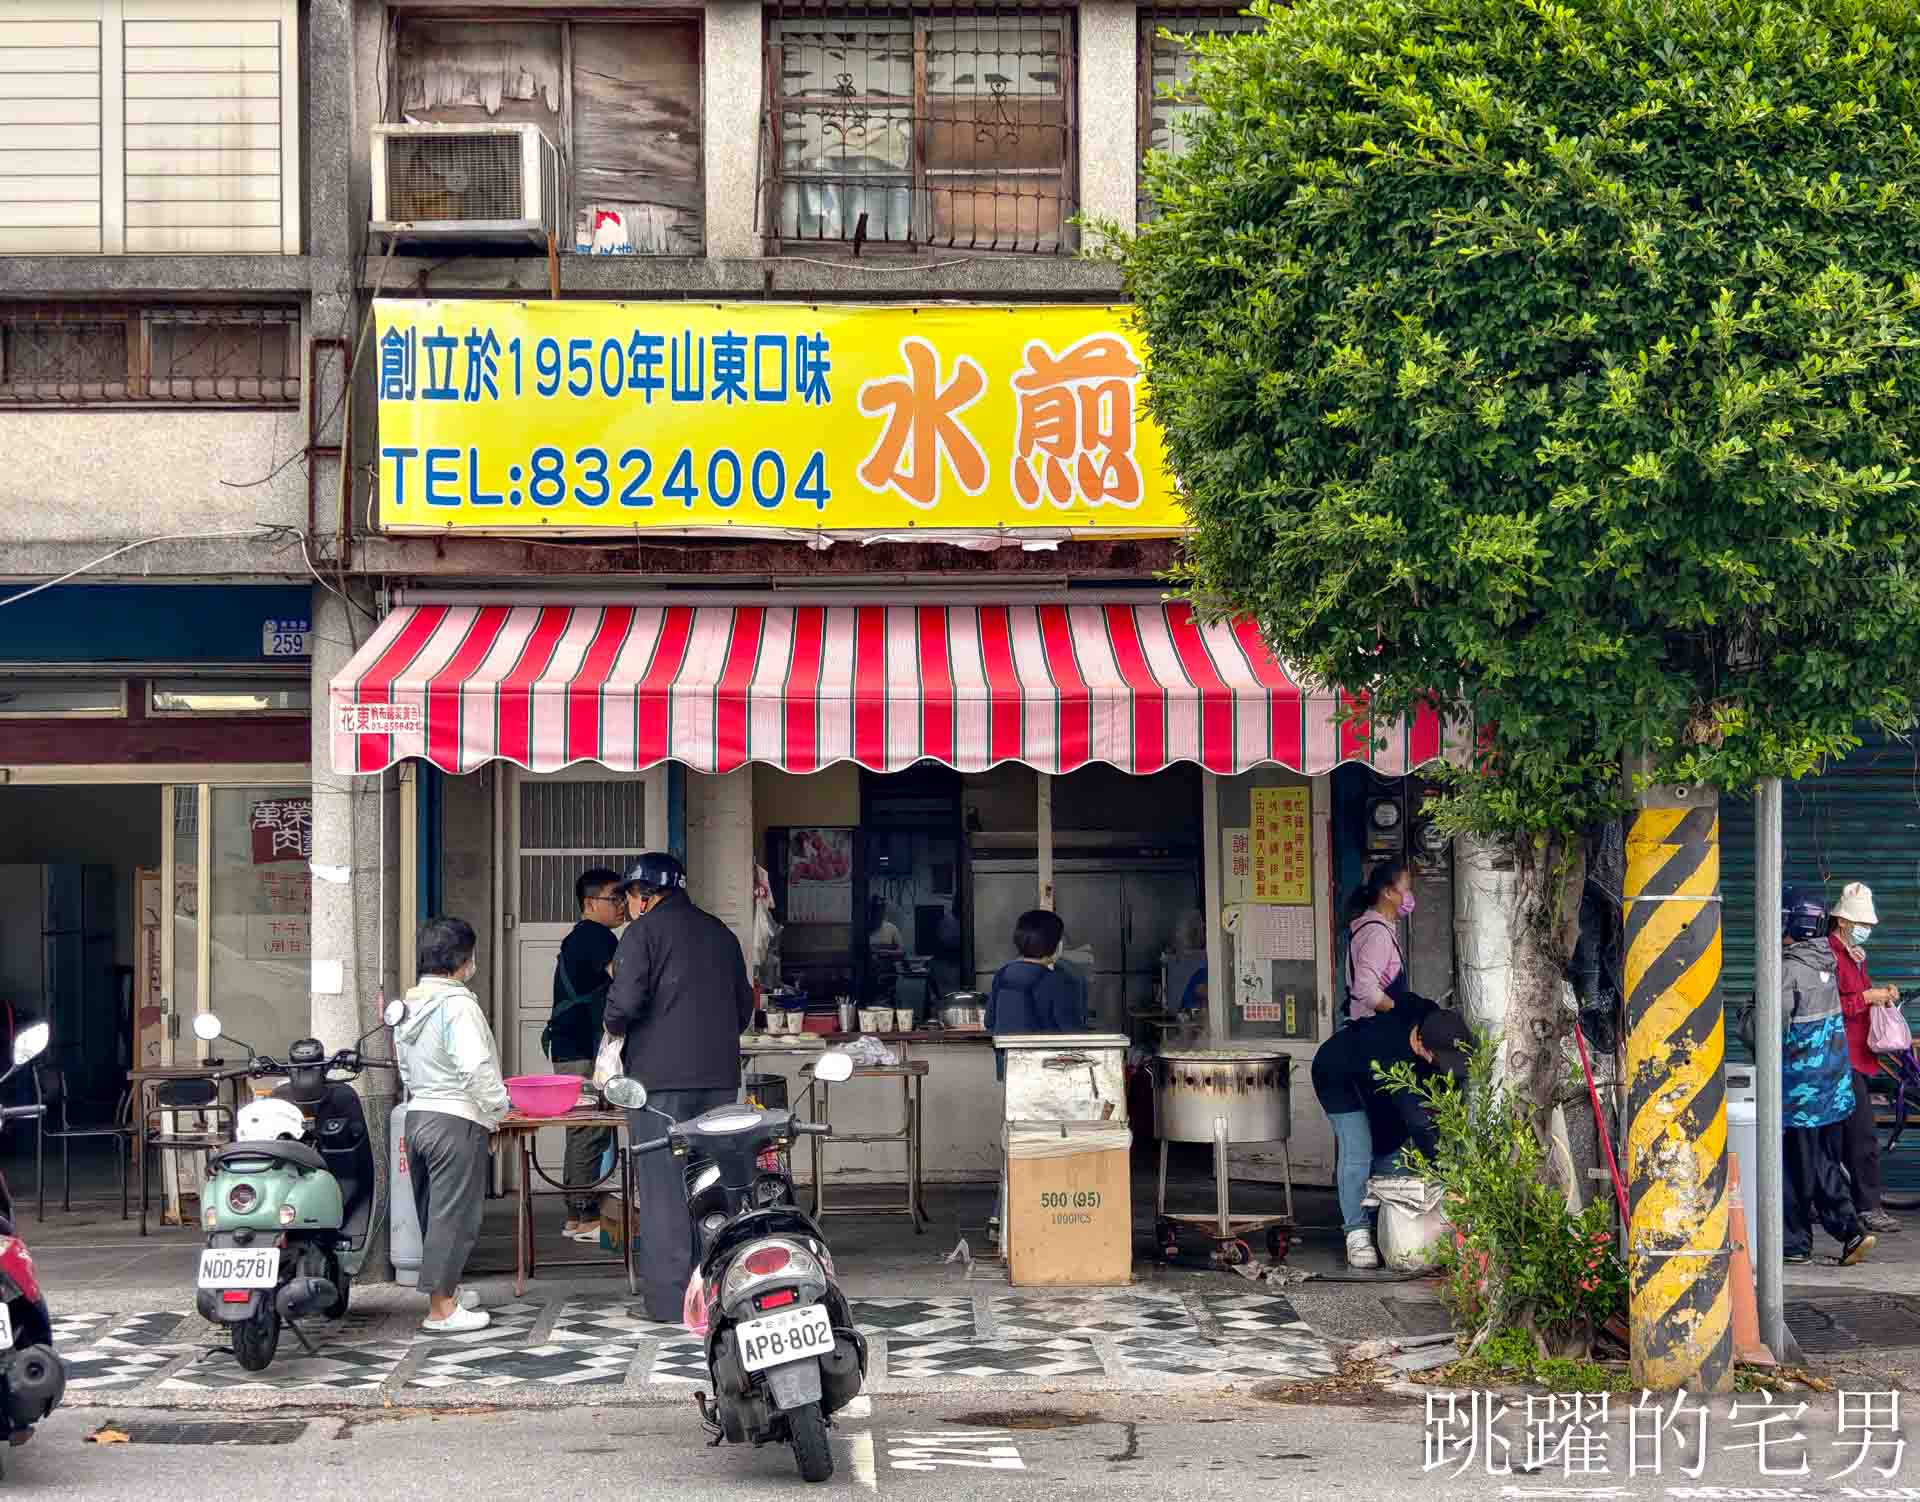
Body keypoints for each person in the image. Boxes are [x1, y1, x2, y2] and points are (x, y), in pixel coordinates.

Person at [602, 852, 756, 1323]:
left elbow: (622, 1005)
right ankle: (721, 1293)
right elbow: (743, 1005)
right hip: (718, 1081)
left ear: (645, 894)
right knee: (712, 1186)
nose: (627, 904)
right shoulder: (720, 932)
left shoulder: (642, 934)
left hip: (658, 1087)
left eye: (628, 894)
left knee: (665, 1191)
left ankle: (670, 1303)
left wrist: (612, 1024)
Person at [394, 916, 510, 1334]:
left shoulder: (409, 1003)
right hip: (455, 1119)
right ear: (463, 959)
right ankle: (441, 1310)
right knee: (454, 1217)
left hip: (419, 1114)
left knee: (433, 1212)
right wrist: (500, 1107)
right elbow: (476, 1066)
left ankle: (449, 1291)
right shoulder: (458, 1004)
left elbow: (405, 1067)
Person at [1311, 996, 1473, 1269]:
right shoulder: (1394, 1056)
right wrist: (1447, 1177)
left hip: (1381, 1086)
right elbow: (1420, 1124)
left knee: (1392, 1150)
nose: (1442, 1065)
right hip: (1339, 1074)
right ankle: (1357, 1233)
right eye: (1439, 1058)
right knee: (1358, 1149)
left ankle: (1384, 1225)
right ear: (1420, 1042)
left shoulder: (1432, 1019)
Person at [984, 908, 1091, 1245]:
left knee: (1013, 1141)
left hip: (1011, 1073)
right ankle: (1043, 1212)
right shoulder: (1058, 979)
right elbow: (1071, 1031)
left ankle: (1000, 1218)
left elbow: (989, 1023)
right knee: (1048, 1144)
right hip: (1050, 1074)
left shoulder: (1003, 975)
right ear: (1055, 944)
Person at [1781, 888, 1874, 1265]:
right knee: (1819, 1159)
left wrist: (1747, 1016)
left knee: (1793, 1164)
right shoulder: (1829, 961)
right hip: (1831, 1085)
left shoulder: (1788, 968)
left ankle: (1795, 1243)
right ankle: (1850, 1231)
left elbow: (1770, 1027)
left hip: (1800, 1087)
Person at [550, 866, 622, 1243]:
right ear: (591, 902)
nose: (623, 905)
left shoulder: (579, 938)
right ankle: (585, 1213)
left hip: (568, 1045)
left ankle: (577, 1215)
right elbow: (623, 982)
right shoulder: (598, 937)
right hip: (582, 1048)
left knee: (581, 1128)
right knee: (589, 1129)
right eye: (615, 898)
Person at [1830, 882, 1902, 1235]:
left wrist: (1880, 995)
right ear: (1842, 921)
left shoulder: (1855, 954)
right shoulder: (1828, 955)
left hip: (1858, 1056)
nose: (1867, 930)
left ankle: (1849, 1204)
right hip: (1837, 1058)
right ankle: (1868, 1207)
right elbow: (1827, 1007)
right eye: (1862, 923)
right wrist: (1867, 997)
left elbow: (1859, 997)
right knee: (1861, 1138)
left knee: (1843, 1138)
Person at [1345, 857, 1415, 1022]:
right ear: (1388, 892)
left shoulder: (1372, 927)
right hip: (1374, 1028)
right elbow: (1366, 991)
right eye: (1406, 889)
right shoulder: (1378, 934)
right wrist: (1400, 1011)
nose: (1409, 896)